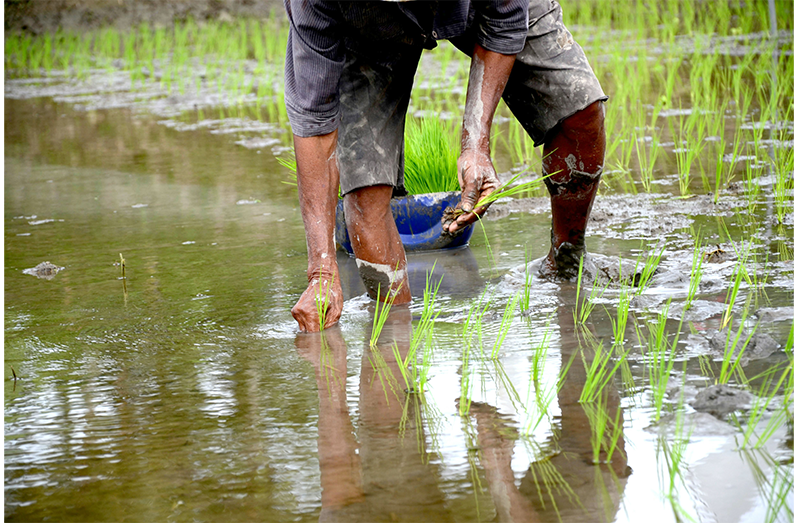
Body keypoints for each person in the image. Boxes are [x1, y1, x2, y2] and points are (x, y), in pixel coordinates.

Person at [284, 0, 607, 332]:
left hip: (477, 5)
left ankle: (566, 261)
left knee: (579, 107)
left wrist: (475, 144)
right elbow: (314, 122)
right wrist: (322, 272)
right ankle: (394, 332)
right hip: (365, 28)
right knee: (366, 194)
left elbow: (506, 18)